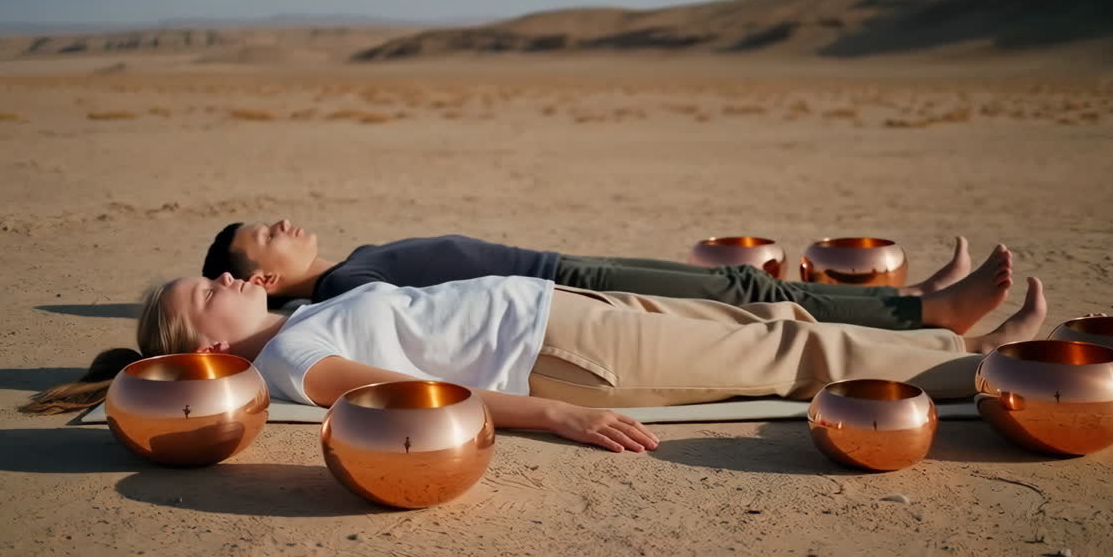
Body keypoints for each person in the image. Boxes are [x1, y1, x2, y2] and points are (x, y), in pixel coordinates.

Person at [28, 248, 1047, 453]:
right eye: (209, 289)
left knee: (773, 328)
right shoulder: (294, 367)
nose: (231, 277)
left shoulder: (295, 324)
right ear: (201, 340)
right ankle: (1001, 373)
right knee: (793, 365)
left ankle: (978, 342)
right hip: (557, 359)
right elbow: (428, 395)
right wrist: (557, 416)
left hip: (553, 311)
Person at [202, 219, 1005, 333]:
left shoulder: (349, 264)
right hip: (569, 291)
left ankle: (920, 299)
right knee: (746, 296)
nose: (279, 225)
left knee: (748, 289)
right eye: (261, 237)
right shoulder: (343, 292)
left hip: (565, 267)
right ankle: (925, 316)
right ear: (263, 280)